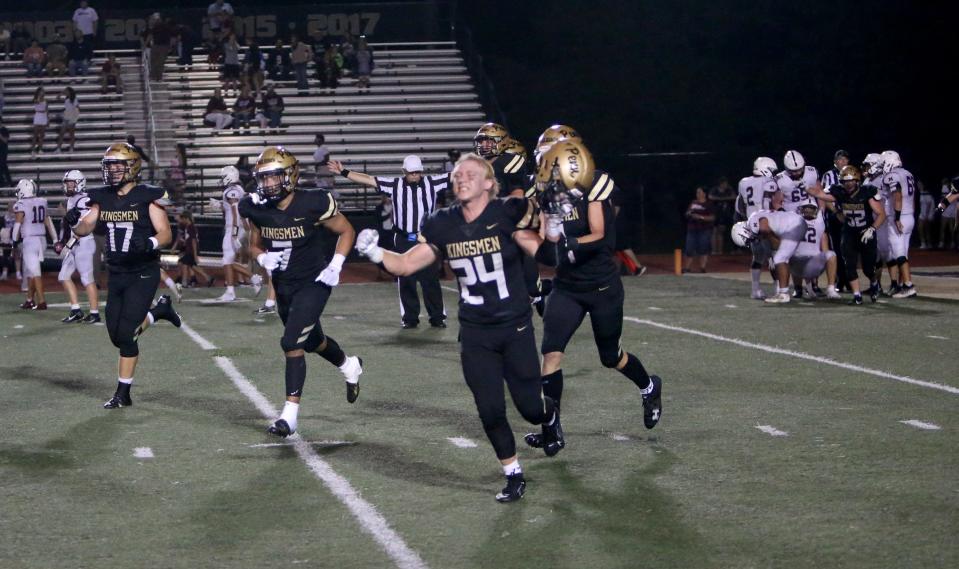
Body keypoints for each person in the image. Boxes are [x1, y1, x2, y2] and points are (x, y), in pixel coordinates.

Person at [354, 152, 563, 503]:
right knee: (490, 408)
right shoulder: (441, 222)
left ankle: (549, 414)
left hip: (514, 326)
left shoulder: (507, 213)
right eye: (457, 175)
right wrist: (375, 253)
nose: (461, 178)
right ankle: (513, 473)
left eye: (470, 173)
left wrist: (553, 227)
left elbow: (544, 255)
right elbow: (406, 264)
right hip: (475, 330)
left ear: (488, 183)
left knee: (529, 408)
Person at [523, 139, 663, 454]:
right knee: (551, 354)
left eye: (547, 158)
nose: (542, 165)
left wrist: (567, 243)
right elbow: (547, 246)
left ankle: (649, 387)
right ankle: (551, 429)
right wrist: (550, 238)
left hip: (602, 287)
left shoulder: (593, 184)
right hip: (567, 288)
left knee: (611, 357)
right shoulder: (544, 191)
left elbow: (599, 235)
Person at [238, 146, 363, 437]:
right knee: (312, 341)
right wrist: (261, 258)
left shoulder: (313, 202)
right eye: (264, 179)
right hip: (284, 285)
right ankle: (349, 365)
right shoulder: (256, 207)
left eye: (274, 178)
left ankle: (289, 417)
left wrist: (336, 265)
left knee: (291, 342)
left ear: (291, 175)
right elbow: (253, 244)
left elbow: (347, 230)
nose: (268, 185)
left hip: (314, 281)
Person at [65, 143, 182, 408]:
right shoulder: (102, 197)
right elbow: (85, 228)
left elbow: (165, 233)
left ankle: (123, 393)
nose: (113, 170)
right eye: (110, 165)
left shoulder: (147, 195)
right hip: (116, 272)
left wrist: (150, 243)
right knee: (116, 336)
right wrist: (74, 221)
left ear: (133, 166)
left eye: (119, 165)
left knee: (127, 335)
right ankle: (159, 312)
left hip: (143, 271)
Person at [330, 155, 449, 328]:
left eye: (417, 172)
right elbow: (369, 180)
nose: (415, 176)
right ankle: (410, 318)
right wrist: (344, 171)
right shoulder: (395, 185)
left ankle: (437, 317)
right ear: (404, 172)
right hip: (403, 237)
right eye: (411, 173)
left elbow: (456, 175)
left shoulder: (432, 182)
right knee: (405, 279)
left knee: (430, 279)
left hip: (425, 239)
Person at [823, 165, 886, 305]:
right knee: (849, 265)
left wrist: (872, 229)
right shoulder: (839, 192)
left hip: (865, 233)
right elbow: (821, 195)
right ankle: (857, 296)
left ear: (857, 180)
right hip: (849, 232)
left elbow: (881, 214)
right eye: (845, 181)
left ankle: (874, 282)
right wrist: (835, 211)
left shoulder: (866, 192)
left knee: (868, 269)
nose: (848, 183)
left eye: (851, 180)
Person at [736, 188, 807, 304]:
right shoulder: (754, 217)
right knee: (780, 257)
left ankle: (783, 294)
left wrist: (777, 245)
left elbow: (764, 228)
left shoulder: (753, 224)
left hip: (794, 226)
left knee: (780, 258)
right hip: (794, 223)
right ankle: (782, 290)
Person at [55, 170, 100, 323]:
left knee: (87, 278)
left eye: (71, 183)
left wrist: (71, 241)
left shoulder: (84, 200)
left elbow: (87, 225)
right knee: (63, 276)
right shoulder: (72, 200)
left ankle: (94, 313)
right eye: (67, 183)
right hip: (75, 242)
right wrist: (67, 243)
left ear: (79, 183)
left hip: (85, 241)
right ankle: (76, 310)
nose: (68, 186)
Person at [736, 156, 779, 299]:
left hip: (750, 224)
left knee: (758, 257)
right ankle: (779, 289)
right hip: (765, 222)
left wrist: (746, 221)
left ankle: (755, 290)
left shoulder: (743, 182)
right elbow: (768, 203)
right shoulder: (768, 181)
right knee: (774, 257)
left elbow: (740, 206)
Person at [215, 165, 259, 301]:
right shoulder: (238, 189)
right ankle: (247, 281)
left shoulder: (232, 191)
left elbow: (235, 213)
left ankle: (235, 289)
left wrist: (234, 234)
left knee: (227, 259)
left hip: (233, 227)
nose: (222, 180)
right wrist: (220, 205)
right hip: (239, 227)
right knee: (227, 260)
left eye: (223, 177)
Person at [12, 179, 58, 310]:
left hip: (30, 241)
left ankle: (42, 301)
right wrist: (54, 240)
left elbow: (18, 223)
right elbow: (48, 222)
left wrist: (14, 240)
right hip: (42, 240)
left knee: (35, 272)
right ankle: (29, 299)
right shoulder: (42, 201)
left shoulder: (21, 204)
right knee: (33, 271)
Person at [879, 150, 918, 298]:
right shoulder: (908, 173)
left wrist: (896, 217)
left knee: (899, 253)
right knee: (904, 252)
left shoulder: (891, 175)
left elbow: (897, 195)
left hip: (899, 217)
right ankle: (902, 285)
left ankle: (908, 286)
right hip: (909, 216)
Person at [788, 203, 840, 300]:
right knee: (831, 254)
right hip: (813, 267)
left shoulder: (793, 221)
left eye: (810, 208)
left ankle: (795, 289)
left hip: (796, 267)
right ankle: (829, 288)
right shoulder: (820, 223)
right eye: (807, 208)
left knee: (791, 254)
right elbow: (822, 208)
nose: (808, 210)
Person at [174, 210, 214, 288]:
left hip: (191, 250)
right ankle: (208, 278)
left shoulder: (191, 227)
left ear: (186, 218)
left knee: (184, 263)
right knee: (192, 266)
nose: (181, 221)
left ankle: (184, 282)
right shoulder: (188, 227)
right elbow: (189, 239)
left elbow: (194, 241)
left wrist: (195, 255)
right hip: (189, 249)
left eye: (183, 219)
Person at [775, 150, 819, 214]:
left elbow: (820, 194)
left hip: (812, 212)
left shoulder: (811, 172)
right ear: (787, 169)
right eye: (794, 171)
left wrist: (821, 210)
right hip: (791, 215)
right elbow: (776, 203)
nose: (798, 173)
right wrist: (783, 214)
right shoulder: (780, 179)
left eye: (800, 169)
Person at [683, 186, 714, 273]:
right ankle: (687, 267)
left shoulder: (709, 204)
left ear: (704, 194)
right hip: (692, 228)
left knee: (703, 248)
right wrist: (689, 214)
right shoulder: (693, 202)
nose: (697, 194)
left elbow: (712, 217)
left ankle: (702, 267)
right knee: (689, 248)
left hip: (704, 229)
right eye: (697, 192)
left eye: (699, 192)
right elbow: (687, 212)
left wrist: (700, 217)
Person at [708, 177, 736, 254]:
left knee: (720, 231)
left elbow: (734, 197)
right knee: (714, 231)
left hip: (724, 213)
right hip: (715, 212)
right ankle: (714, 251)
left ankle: (719, 251)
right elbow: (710, 197)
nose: (725, 185)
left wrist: (723, 198)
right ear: (721, 184)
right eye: (724, 183)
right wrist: (722, 199)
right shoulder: (715, 190)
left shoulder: (729, 189)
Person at [56, 87, 80, 153]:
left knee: (71, 133)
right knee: (62, 133)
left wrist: (75, 117)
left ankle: (71, 148)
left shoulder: (74, 99)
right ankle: (59, 148)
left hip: (72, 117)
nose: (65, 92)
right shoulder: (66, 99)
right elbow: (57, 98)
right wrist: (61, 94)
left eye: (66, 91)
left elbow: (77, 108)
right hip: (66, 116)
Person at [30, 87, 48, 156]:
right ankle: (33, 150)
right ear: (38, 92)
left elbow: (47, 110)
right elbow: (37, 102)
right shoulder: (36, 99)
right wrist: (39, 97)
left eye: (43, 91)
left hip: (44, 116)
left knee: (42, 135)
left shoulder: (46, 100)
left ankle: (40, 149)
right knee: (35, 135)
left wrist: (48, 119)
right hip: (38, 115)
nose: (43, 92)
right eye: (41, 91)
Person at [917, 180, 934, 249]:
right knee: (920, 228)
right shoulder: (920, 193)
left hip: (927, 214)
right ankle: (924, 243)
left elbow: (929, 204)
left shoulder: (927, 194)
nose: (918, 185)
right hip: (922, 214)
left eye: (919, 184)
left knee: (927, 229)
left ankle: (928, 244)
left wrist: (926, 215)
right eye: (918, 184)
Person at [0, 116, 10, 187]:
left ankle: (8, 182)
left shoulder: (4, 130)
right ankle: (3, 183)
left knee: (3, 166)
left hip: (3, 150)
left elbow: (5, 140)